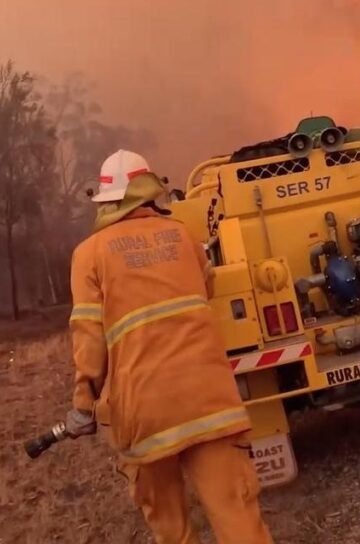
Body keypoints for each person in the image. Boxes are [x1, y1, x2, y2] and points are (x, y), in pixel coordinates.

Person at [66, 149, 273, 544]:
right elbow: (205, 287)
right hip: (210, 402)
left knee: (172, 528)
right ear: (149, 194)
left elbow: (89, 337)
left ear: (109, 201)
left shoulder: (89, 255)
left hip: (146, 413)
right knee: (239, 516)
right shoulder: (183, 235)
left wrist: (82, 404)